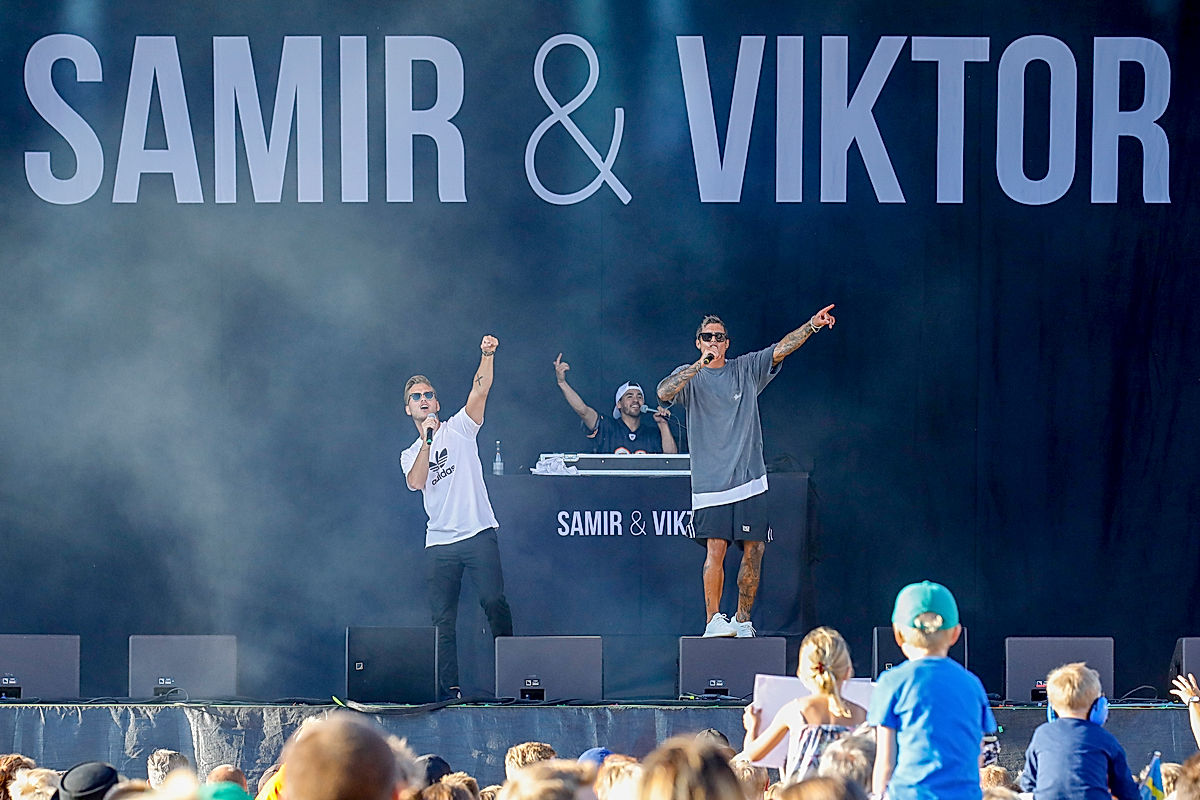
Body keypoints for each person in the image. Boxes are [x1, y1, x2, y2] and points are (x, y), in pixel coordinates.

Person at [656, 309, 835, 637]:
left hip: (750, 478)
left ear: (727, 343)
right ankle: (713, 621)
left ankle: (742, 619)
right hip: (712, 482)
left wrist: (811, 325)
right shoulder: (690, 375)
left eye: (719, 337)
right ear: (698, 343)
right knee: (716, 548)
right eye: (708, 337)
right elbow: (664, 392)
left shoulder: (745, 368)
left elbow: (782, 347)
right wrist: (699, 365)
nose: (714, 341)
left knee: (755, 549)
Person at [400, 335, 514, 699]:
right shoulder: (410, 453)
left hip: (478, 532)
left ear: (437, 401)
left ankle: (511, 677)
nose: (424, 400)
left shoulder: (460, 428)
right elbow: (416, 482)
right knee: (442, 620)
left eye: (428, 395)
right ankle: (450, 691)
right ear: (409, 409)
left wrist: (486, 355)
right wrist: (428, 442)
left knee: (494, 601)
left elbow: (480, 390)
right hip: (440, 542)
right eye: (416, 397)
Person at [868, 580, 996, 800]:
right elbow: (978, 756)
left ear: (898, 634)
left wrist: (879, 794)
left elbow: (885, 761)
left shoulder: (891, 682)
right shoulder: (972, 684)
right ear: (956, 634)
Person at [741, 627, 867, 785]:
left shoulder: (795, 711)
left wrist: (752, 727)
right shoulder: (861, 715)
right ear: (848, 671)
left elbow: (752, 755)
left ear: (802, 673)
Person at [1017, 661, 1139, 800]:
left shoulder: (1042, 734)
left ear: (1051, 709)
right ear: (1100, 706)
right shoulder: (1105, 739)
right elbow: (1127, 791)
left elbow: (1028, 783)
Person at [553, 355, 677, 454]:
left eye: (639, 397)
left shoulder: (652, 434)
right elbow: (583, 411)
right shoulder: (607, 428)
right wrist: (562, 382)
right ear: (619, 404)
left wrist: (663, 424)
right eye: (629, 396)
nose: (636, 400)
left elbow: (671, 460)